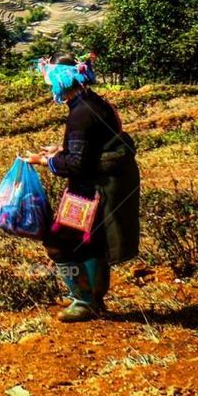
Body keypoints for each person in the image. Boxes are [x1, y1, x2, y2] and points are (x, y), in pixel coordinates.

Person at [23, 54, 140, 322]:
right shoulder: (95, 102)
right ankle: (93, 299)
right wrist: (61, 149)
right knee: (92, 243)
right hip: (104, 185)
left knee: (60, 241)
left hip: (93, 190)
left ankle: (85, 300)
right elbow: (90, 147)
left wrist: (46, 161)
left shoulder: (80, 114)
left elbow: (77, 163)